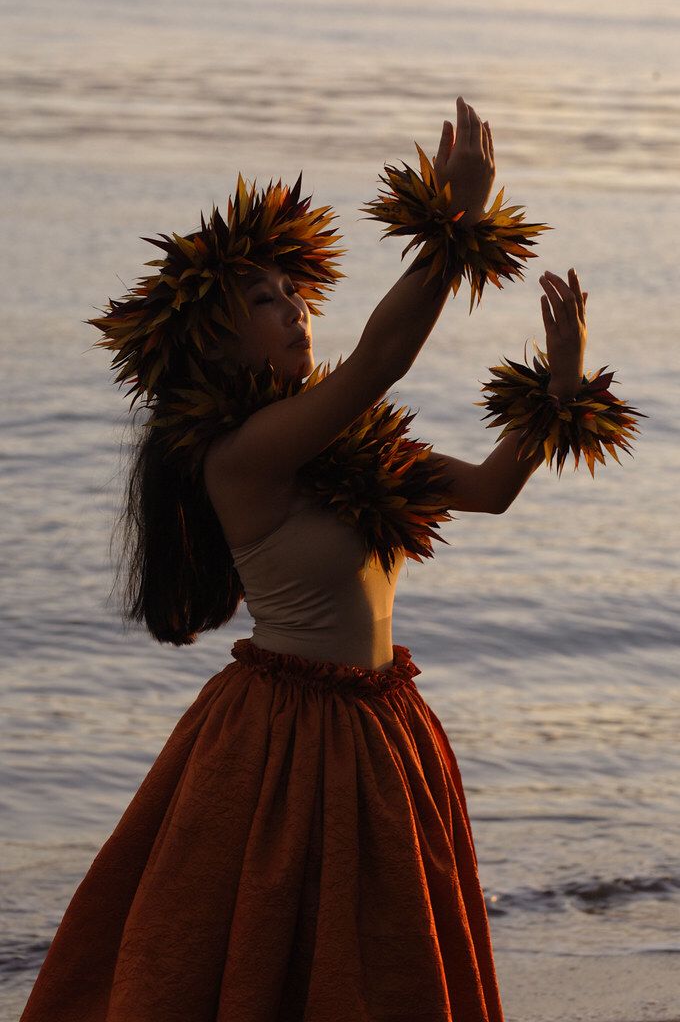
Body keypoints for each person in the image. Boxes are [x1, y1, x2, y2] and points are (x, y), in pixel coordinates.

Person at [20, 96, 640, 1022]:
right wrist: (454, 224)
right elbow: (379, 357)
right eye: (263, 302)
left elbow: (492, 488)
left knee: (374, 959)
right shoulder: (244, 456)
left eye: (295, 292)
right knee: (263, 955)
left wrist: (560, 387)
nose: (295, 309)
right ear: (215, 348)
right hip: (281, 735)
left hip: (385, 729)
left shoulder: (360, 458)